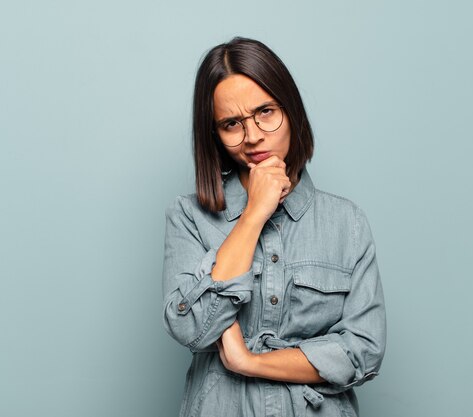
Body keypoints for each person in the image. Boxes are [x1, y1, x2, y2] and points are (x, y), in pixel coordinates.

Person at [162, 37, 386, 417]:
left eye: (265, 112)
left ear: (291, 110)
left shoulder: (347, 223)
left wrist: (250, 362)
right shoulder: (190, 217)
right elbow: (188, 327)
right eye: (231, 124)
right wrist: (253, 216)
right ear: (214, 134)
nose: (252, 137)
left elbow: (363, 350)